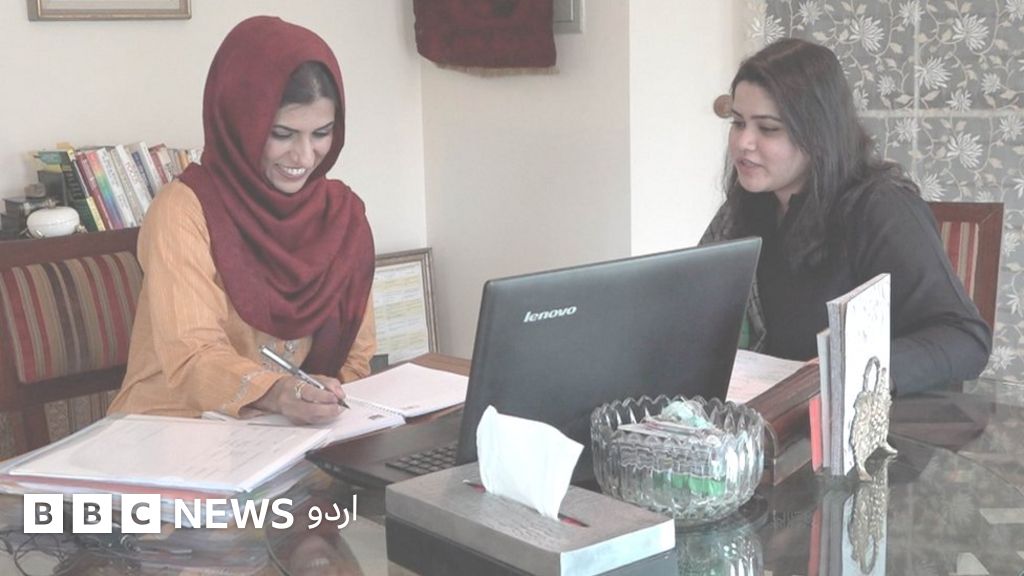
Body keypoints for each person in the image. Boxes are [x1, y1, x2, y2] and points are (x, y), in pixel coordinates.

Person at [109, 16, 376, 424]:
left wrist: (326, 398)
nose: (304, 156)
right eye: (282, 134)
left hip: (289, 433)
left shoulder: (342, 217)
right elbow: (193, 355)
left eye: (321, 133)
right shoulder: (183, 211)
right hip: (171, 429)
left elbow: (356, 358)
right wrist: (279, 393)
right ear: (240, 123)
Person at [701, 38, 991, 395]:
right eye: (738, 122)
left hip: (870, 417)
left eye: (768, 128)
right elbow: (696, 305)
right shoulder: (745, 206)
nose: (743, 142)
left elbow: (965, 338)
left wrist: (850, 368)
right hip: (769, 410)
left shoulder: (881, 207)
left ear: (818, 133)